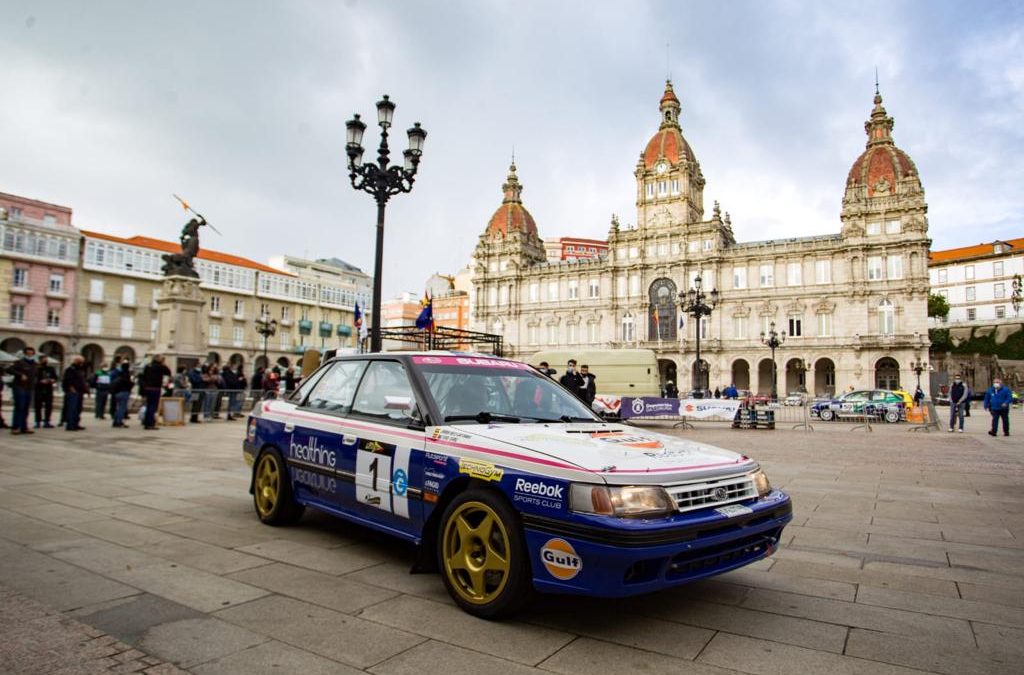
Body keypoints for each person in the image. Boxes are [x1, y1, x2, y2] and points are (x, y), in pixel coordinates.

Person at [10, 347, 38, 434]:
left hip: (29, 388)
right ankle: (16, 427)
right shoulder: (19, 362)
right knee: (19, 407)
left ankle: (24, 426)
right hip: (19, 387)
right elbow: (9, 369)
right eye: (28, 353)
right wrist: (20, 374)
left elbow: (36, 375)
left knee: (26, 408)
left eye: (31, 354)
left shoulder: (34, 364)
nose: (30, 355)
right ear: (25, 354)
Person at [140, 354, 171, 430]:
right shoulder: (160, 366)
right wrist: (163, 364)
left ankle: (146, 422)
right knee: (153, 406)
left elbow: (143, 376)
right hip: (155, 387)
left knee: (148, 405)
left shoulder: (148, 366)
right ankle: (150, 423)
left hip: (147, 387)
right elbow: (168, 372)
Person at [61, 355, 87, 431]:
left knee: (78, 408)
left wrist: (85, 389)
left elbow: (82, 381)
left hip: (80, 391)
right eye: (80, 361)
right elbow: (68, 380)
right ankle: (70, 424)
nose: (81, 363)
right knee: (72, 408)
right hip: (73, 391)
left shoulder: (79, 370)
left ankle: (76, 423)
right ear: (76, 361)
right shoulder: (70, 369)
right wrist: (71, 388)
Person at [33, 354, 58, 428]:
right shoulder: (36, 368)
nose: (45, 361)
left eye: (46, 359)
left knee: (49, 406)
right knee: (38, 406)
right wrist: (40, 381)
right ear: (40, 360)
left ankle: (47, 421)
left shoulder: (50, 368)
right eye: (44, 359)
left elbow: (55, 377)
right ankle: (37, 421)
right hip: (39, 389)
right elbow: (33, 379)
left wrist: (53, 380)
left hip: (48, 389)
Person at [111, 361, 133, 428]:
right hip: (124, 391)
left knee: (118, 407)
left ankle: (115, 421)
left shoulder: (119, 373)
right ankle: (119, 422)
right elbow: (128, 383)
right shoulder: (126, 374)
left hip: (117, 392)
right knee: (122, 408)